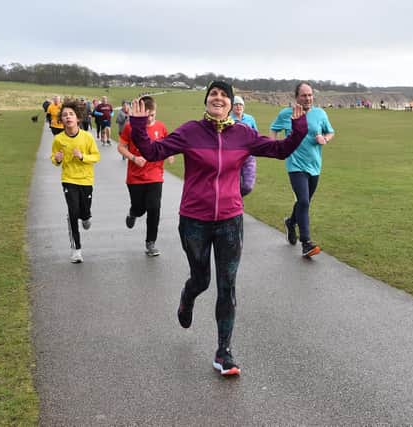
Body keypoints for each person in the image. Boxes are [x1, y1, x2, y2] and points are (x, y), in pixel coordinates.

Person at [129, 81, 307, 377]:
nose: (219, 98)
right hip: (194, 220)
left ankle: (224, 351)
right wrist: (138, 125)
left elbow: (279, 150)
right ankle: (188, 297)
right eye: (214, 94)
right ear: (206, 101)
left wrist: (298, 128)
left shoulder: (243, 134)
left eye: (224, 95)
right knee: (201, 280)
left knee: (227, 285)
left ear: (230, 103)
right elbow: (152, 150)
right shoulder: (190, 131)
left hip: (229, 219)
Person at [270, 82, 335, 258]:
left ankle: (291, 223)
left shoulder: (320, 113)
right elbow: (274, 129)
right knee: (304, 201)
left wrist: (325, 139)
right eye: (304, 95)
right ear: (296, 97)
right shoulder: (286, 114)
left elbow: (330, 132)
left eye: (310, 95)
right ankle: (306, 243)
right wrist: (274, 146)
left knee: (303, 202)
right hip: (295, 164)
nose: (307, 98)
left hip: (314, 165)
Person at [117, 95, 174, 256]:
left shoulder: (161, 127)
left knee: (154, 208)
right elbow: (121, 147)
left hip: (155, 175)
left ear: (156, 112)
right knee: (140, 209)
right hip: (135, 177)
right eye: (146, 116)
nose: (149, 119)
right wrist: (134, 158)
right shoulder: (130, 127)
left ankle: (151, 243)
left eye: (152, 115)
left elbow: (167, 144)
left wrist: (169, 154)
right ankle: (133, 212)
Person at [50, 101, 100, 263]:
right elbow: (54, 157)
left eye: (71, 114)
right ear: (62, 120)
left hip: (86, 180)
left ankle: (86, 217)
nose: (68, 117)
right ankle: (76, 250)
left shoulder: (87, 137)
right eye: (64, 115)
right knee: (72, 212)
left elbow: (96, 157)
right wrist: (56, 159)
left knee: (84, 213)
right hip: (68, 179)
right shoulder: (58, 139)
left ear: (78, 118)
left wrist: (82, 157)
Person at [230, 95, 258, 196]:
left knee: (248, 186)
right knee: (234, 183)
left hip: (249, 156)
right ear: (231, 107)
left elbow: (256, 134)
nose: (238, 107)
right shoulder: (228, 119)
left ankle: (237, 197)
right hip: (233, 157)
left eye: (240, 104)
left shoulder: (250, 119)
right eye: (236, 104)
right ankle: (236, 203)